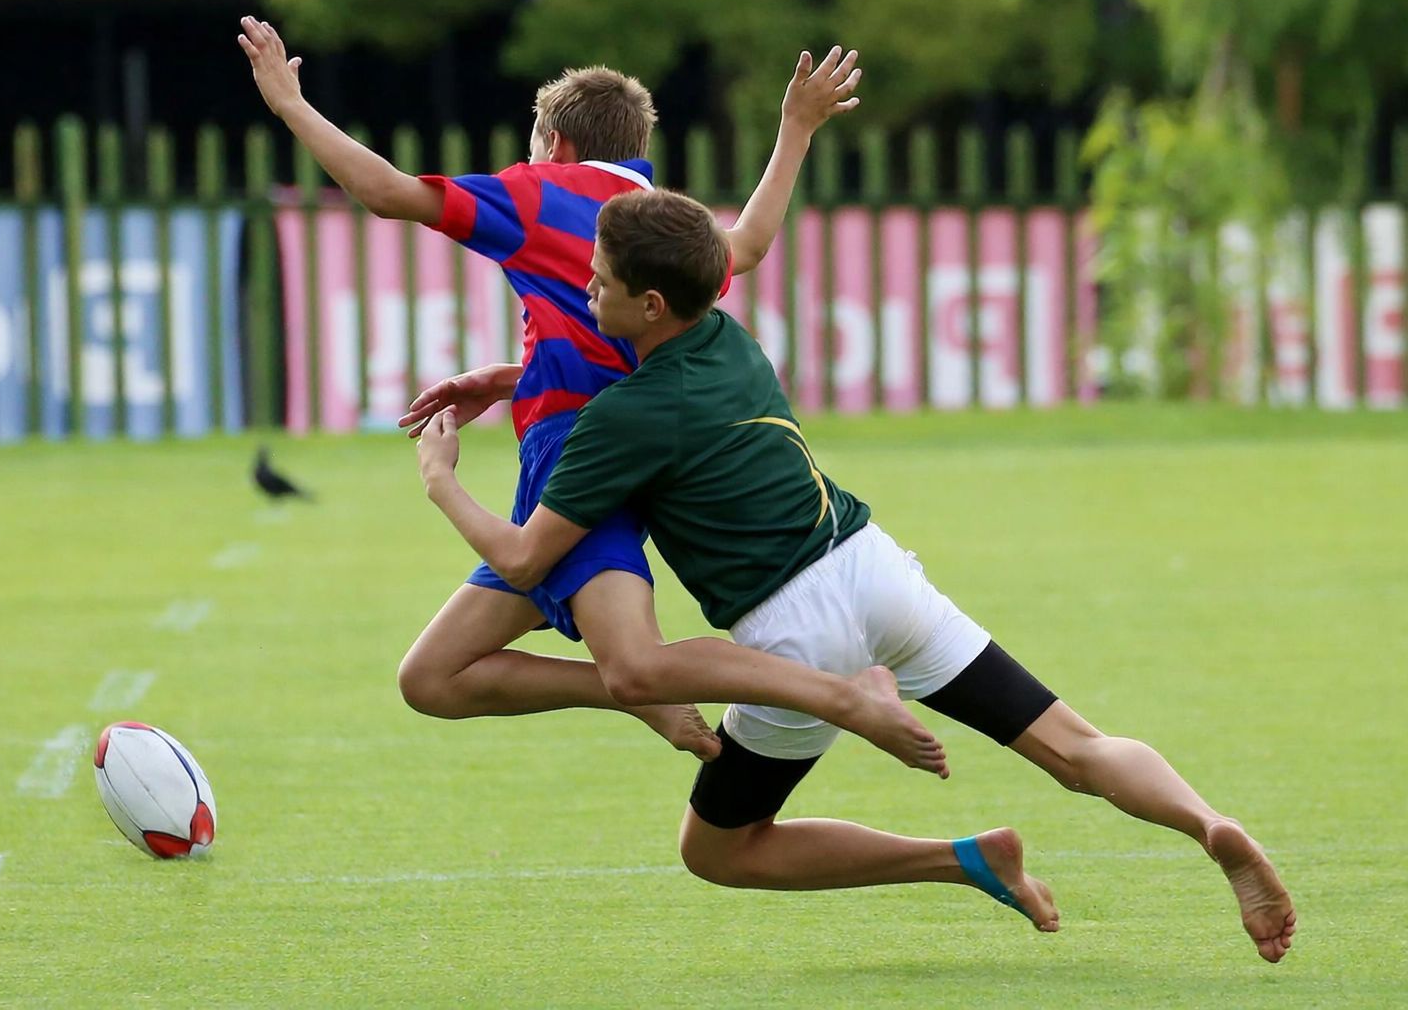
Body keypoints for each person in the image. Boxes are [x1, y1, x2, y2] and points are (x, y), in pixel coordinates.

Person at [413, 188, 1298, 962]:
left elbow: (527, 557)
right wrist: (516, 374)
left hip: (799, 633)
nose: (585, 288)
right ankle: (1205, 822)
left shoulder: (622, 421)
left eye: (598, 280)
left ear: (649, 304)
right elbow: (734, 252)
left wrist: (444, 482)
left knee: (717, 848)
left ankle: (878, 748)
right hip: (877, 571)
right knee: (1078, 749)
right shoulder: (728, 337)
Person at [240, 16, 949, 773]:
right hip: (629, 441)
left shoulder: (537, 192)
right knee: (432, 676)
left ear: (558, 147)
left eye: (534, 146)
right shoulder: (653, 214)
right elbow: (745, 247)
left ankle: (829, 695)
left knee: (632, 661)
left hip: (577, 458)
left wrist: (288, 103)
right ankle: (644, 697)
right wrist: (796, 128)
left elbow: (386, 192)